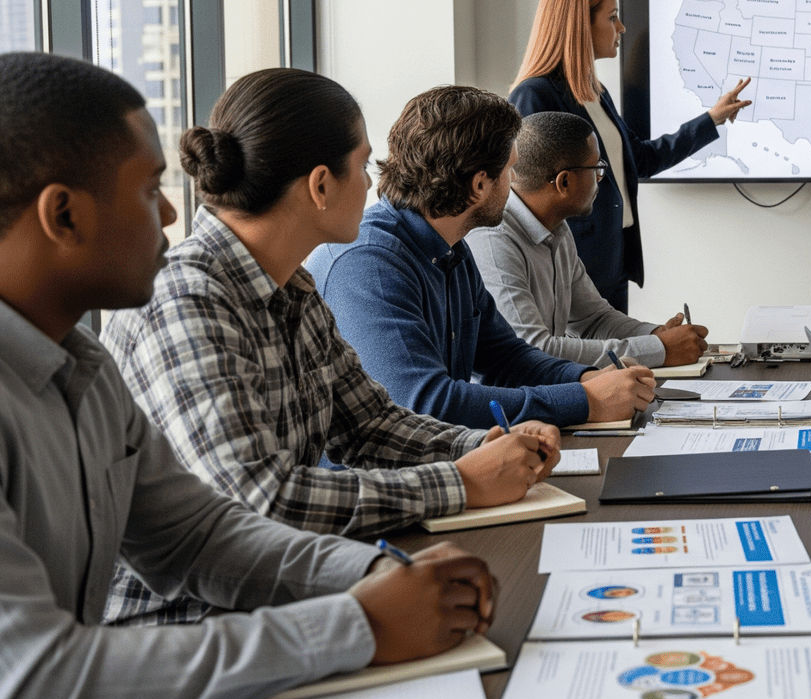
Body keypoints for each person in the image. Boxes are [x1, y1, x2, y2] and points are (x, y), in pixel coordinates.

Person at [0, 51, 497, 699]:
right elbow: (36, 674)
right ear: (64, 215)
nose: (174, 217)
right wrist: (359, 621)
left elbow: (199, 534)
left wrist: (376, 571)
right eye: (151, 190)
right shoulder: (178, 303)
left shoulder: (84, 369)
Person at [99, 68, 562, 627]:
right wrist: (460, 481)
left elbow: (370, 424)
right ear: (320, 185)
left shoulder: (294, 286)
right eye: (364, 166)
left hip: (286, 598)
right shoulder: (187, 300)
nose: (375, 184)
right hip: (189, 628)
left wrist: (481, 443)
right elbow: (260, 501)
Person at [307, 85, 656, 429]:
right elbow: (426, 404)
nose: (516, 183)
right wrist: (586, 401)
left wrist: (589, 379)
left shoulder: (452, 247)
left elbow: (506, 357)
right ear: (479, 185)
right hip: (382, 481)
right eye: (510, 170)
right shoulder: (369, 263)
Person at [509, 0, 752, 312]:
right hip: (571, 270)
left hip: (612, 263)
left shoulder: (596, 93)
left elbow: (640, 158)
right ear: (580, 26)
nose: (622, 28)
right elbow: (525, 197)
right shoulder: (534, 95)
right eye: (612, 18)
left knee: (616, 361)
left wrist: (711, 119)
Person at [466, 110, 710, 368]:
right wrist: (658, 350)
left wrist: (656, 334)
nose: (600, 179)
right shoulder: (494, 240)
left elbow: (594, 320)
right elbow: (534, 349)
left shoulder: (557, 227)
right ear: (564, 182)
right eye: (597, 168)